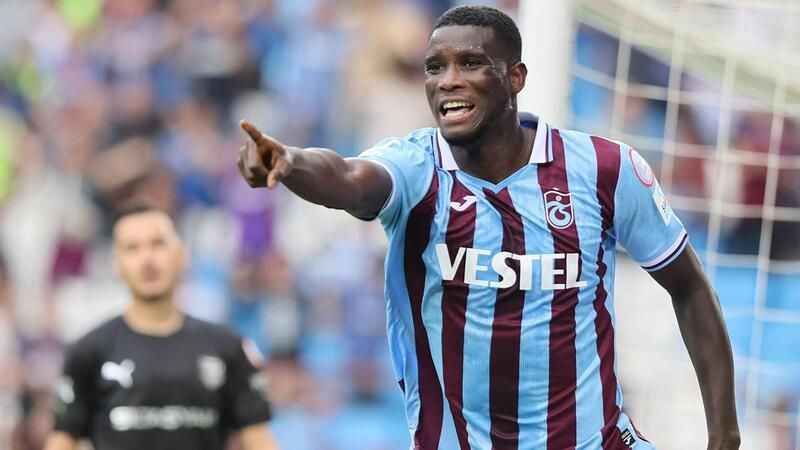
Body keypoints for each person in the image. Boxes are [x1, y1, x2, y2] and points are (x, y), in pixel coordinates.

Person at [237, 5, 740, 450]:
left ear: (515, 77)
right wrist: (290, 162)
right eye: (435, 67)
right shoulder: (416, 168)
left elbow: (690, 287)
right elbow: (347, 178)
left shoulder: (603, 170)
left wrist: (725, 437)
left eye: (470, 63)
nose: (448, 80)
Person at [44, 203, 279, 450]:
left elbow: (259, 439)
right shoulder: (88, 352)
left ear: (182, 255)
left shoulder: (227, 347)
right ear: (117, 264)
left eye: (158, 244)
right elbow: (62, 440)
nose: (147, 259)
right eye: (132, 248)